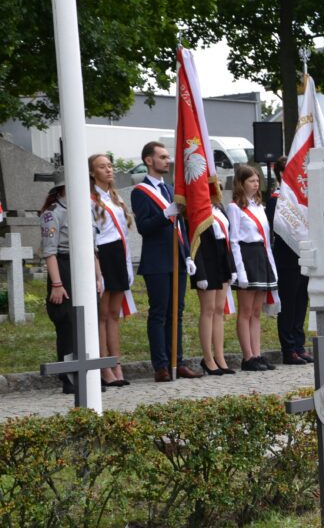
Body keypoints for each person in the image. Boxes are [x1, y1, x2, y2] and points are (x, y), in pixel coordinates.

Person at [131, 142, 203, 382]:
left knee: (178, 313)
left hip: (177, 258)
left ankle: (177, 360)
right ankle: (161, 365)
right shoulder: (140, 191)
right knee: (160, 312)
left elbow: (180, 226)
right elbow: (144, 227)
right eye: (161, 157)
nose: (167, 161)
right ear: (148, 160)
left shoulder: (171, 190)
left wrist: (187, 254)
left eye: (167, 157)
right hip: (157, 260)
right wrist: (165, 214)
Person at [41, 171, 104, 394]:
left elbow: (92, 246)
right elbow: (50, 252)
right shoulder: (53, 213)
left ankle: (91, 375)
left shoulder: (86, 208)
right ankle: (70, 378)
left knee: (89, 320)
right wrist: (57, 284)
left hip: (85, 265)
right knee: (68, 323)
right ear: (63, 188)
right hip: (64, 267)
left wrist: (98, 276)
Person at [89, 154, 133, 387]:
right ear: (92, 172)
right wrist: (98, 272)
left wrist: (126, 264)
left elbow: (123, 232)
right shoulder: (91, 199)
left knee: (115, 315)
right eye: (101, 167)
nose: (108, 170)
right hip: (102, 255)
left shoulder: (115, 198)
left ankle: (116, 363)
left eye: (109, 166)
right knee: (103, 314)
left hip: (118, 254)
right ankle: (104, 366)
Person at [229, 165, 278, 372]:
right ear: (241, 183)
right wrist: (239, 270)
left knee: (256, 311)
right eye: (251, 181)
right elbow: (234, 241)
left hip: (261, 255)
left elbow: (266, 238)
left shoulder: (259, 206)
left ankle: (257, 353)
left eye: (257, 180)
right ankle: (247, 356)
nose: (256, 184)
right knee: (246, 310)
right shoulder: (235, 208)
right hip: (246, 257)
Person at [267, 156, 313, 365]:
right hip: (286, 258)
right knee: (288, 304)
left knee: (301, 301)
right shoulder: (276, 199)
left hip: (303, 256)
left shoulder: (302, 198)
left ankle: (299, 344)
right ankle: (288, 348)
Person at [191, 194, 235, 375]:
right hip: (205, 261)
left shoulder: (219, 207)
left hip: (221, 258)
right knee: (208, 310)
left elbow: (226, 239)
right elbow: (195, 242)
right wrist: (199, 272)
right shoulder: (196, 209)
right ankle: (208, 358)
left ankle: (220, 357)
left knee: (219, 310)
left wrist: (230, 267)